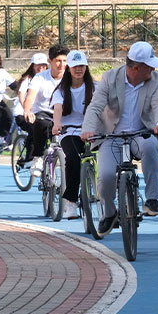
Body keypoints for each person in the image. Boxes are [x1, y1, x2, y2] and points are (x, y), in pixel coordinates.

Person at [82, 41, 158, 234]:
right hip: (111, 136)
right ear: (136, 68)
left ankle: (152, 199)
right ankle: (110, 213)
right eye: (150, 65)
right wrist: (87, 129)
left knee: (150, 145)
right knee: (105, 177)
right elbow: (95, 106)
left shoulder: (155, 79)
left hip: (140, 133)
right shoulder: (110, 78)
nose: (154, 69)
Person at [50, 50, 94, 220]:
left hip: (92, 131)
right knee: (74, 159)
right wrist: (57, 123)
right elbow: (58, 109)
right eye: (75, 66)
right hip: (70, 131)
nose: (79, 69)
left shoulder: (94, 87)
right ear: (69, 68)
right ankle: (71, 202)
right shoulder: (61, 90)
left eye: (82, 66)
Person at [22, 45, 68, 175]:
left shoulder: (70, 77)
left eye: (64, 61)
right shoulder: (40, 77)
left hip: (64, 115)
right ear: (50, 61)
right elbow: (30, 95)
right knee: (41, 123)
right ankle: (38, 157)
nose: (61, 64)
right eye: (58, 61)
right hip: (44, 113)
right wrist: (27, 110)